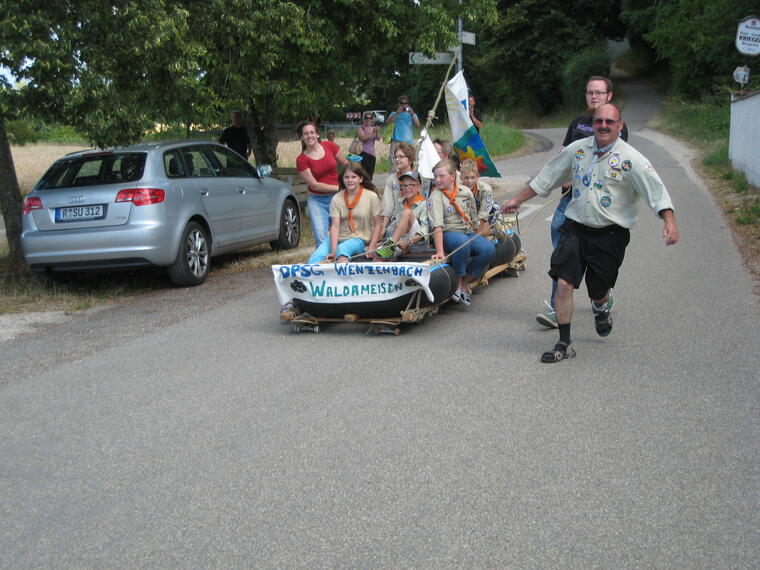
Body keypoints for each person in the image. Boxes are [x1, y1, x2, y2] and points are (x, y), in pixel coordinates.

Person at [502, 103, 679, 363]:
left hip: (610, 235)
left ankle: (600, 305)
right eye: (599, 121)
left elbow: (656, 191)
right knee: (564, 283)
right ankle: (564, 342)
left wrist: (669, 221)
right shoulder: (578, 149)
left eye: (609, 122)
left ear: (619, 125)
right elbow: (547, 177)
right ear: (593, 123)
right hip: (575, 228)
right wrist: (517, 199)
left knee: (598, 289)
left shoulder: (632, 159)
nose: (604, 126)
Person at [537, 76, 630, 329]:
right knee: (562, 253)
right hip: (570, 200)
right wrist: (564, 178)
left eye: (599, 93)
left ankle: (599, 298)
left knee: (594, 262)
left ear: (609, 95)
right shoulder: (578, 123)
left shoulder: (613, 124)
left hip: (597, 206)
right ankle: (559, 306)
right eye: (590, 92)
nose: (594, 97)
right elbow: (564, 155)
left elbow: (612, 162)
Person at [429, 159, 495, 306]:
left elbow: (474, 218)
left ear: (452, 176)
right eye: (435, 177)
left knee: (488, 249)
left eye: (441, 176)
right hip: (449, 233)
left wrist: (479, 234)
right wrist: (440, 252)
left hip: (467, 231)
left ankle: (464, 282)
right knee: (462, 243)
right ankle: (457, 282)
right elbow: (437, 226)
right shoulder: (436, 196)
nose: (437, 180)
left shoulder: (465, 192)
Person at [307, 162, 383, 263]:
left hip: (358, 238)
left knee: (342, 250)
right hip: (337, 237)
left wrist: (372, 246)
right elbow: (335, 226)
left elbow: (378, 224)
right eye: (346, 177)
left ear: (360, 179)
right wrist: (333, 251)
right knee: (315, 258)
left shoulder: (371, 197)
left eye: (353, 177)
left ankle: (345, 277)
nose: (350, 180)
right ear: (342, 179)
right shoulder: (337, 198)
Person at [296, 120, 348, 245]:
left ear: (318, 134)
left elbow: (346, 164)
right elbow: (314, 185)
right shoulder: (301, 160)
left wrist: (350, 182)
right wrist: (338, 187)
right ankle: (325, 261)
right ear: (302, 137)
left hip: (337, 198)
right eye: (306, 134)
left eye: (312, 132)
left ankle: (342, 260)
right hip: (317, 201)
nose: (309, 136)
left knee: (343, 234)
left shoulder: (330, 146)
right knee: (321, 236)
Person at [376, 170, 430, 258]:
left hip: (416, 243)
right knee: (377, 257)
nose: (407, 188)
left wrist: (408, 241)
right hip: (400, 240)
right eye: (404, 185)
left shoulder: (425, 205)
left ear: (419, 187)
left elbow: (425, 231)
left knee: (407, 212)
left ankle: (390, 247)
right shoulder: (400, 202)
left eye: (411, 185)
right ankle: (390, 248)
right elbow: (398, 227)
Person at [379, 142, 416, 237]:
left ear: (410, 160)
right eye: (395, 157)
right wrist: (383, 228)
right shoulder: (391, 179)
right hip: (397, 220)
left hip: (415, 220)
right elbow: (388, 206)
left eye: (401, 157)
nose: (397, 160)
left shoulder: (419, 178)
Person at [460, 159, 495, 236]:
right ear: (461, 177)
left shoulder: (486, 189)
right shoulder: (456, 189)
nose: (469, 181)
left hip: (487, 212)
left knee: (479, 233)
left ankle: (496, 231)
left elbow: (484, 214)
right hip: (469, 214)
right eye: (466, 178)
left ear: (478, 177)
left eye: (473, 177)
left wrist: (478, 235)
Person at [386, 95, 420, 167]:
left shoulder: (411, 114)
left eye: (406, 103)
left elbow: (417, 125)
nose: (404, 105)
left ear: (408, 104)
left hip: (408, 142)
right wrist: (397, 113)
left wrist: (412, 114)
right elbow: (388, 123)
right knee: (394, 163)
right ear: (399, 104)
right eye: (402, 103)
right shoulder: (394, 113)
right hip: (396, 142)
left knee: (409, 162)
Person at [356, 112, 381, 178]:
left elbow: (378, 138)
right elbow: (362, 138)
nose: (368, 119)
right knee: (364, 175)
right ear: (364, 119)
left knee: (370, 175)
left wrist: (377, 131)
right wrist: (372, 132)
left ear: (372, 119)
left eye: (370, 118)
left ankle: (368, 187)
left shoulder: (373, 128)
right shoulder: (361, 128)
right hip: (363, 153)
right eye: (366, 118)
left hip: (372, 154)